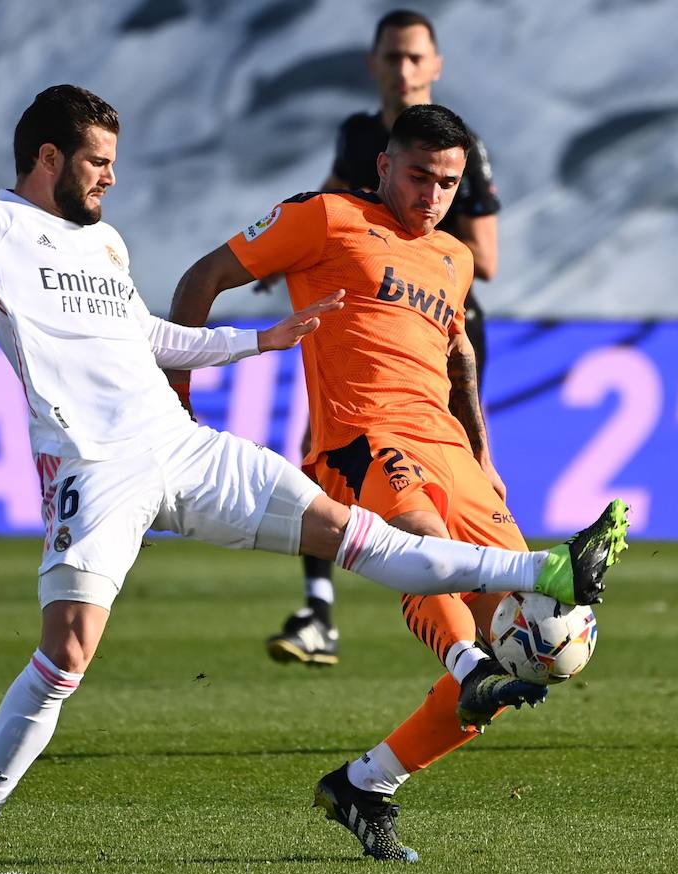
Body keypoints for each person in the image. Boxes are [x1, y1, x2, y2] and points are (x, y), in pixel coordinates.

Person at [0, 24, 627, 874]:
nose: (112, 178)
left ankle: (537, 583)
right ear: (47, 158)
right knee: (65, 659)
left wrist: (256, 341)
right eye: (99, 162)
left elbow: (149, 334)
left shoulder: (106, 242)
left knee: (357, 538)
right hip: (96, 465)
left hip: (184, 447)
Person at [166, 102, 628, 861]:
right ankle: (464, 662)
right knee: (424, 548)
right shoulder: (322, 217)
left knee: (537, 647)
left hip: (452, 452)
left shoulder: (455, 258)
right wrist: (176, 404)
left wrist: (482, 457)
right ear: (384, 166)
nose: (432, 194)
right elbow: (203, 277)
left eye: (447, 182)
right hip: (364, 440)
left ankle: (365, 784)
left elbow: (458, 361)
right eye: (418, 176)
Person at [269, 9, 504, 667]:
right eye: (392, 58)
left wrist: (419, 236)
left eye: (414, 58)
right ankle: (320, 611)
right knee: (326, 451)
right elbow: (331, 211)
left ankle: (477, 622)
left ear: (435, 67)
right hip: (360, 322)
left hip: (440, 329)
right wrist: (288, 253)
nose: (403, 70)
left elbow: (486, 257)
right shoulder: (358, 134)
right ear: (373, 65)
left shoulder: (463, 145)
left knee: (450, 483)